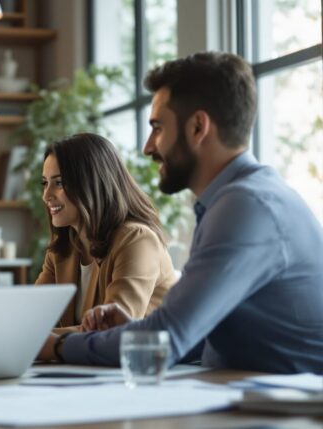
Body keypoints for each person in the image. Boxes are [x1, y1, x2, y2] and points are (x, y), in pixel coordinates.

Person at [39, 52, 323, 374]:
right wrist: (132, 331)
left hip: (284, 411)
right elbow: (202, 334)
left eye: (157, 128)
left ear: (198, 127)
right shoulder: (240, 200)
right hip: (249, 396)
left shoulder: (244, 208)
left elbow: (169, 337)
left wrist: (56, 345)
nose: (148, 147)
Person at [36, 133, 177, 332]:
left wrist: (35, 338)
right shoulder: (63, 250)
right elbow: (32, 318)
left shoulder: (136, 239)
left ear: (91, 182)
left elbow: (112, 330)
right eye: (45, 183)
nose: (46, 195)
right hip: (89, 362)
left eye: (59, 183)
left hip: (147, 361)